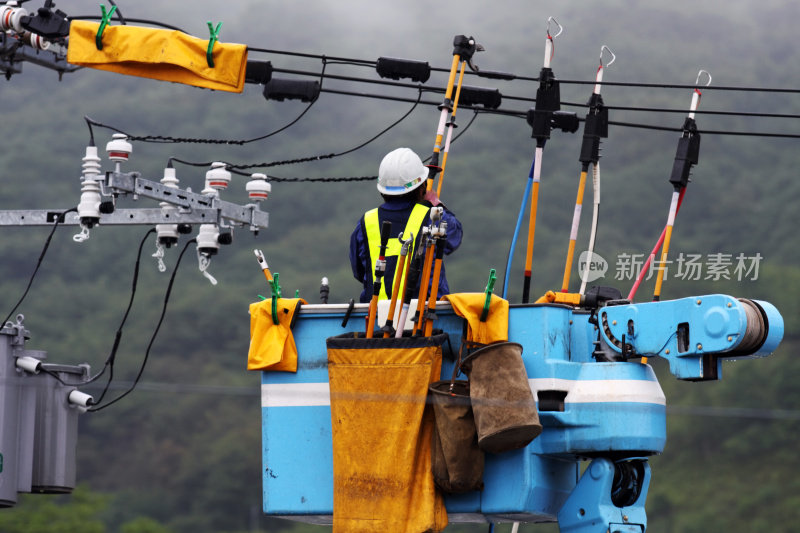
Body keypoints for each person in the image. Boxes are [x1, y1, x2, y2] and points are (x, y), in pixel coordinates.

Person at [350, 147, 463, 303]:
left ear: (383, 189)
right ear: (421, 187)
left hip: (374, 321)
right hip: (425, 319)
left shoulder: (366, 222)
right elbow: (454, 237)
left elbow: (360, 272)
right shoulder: (431, 217)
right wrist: (436, 204)